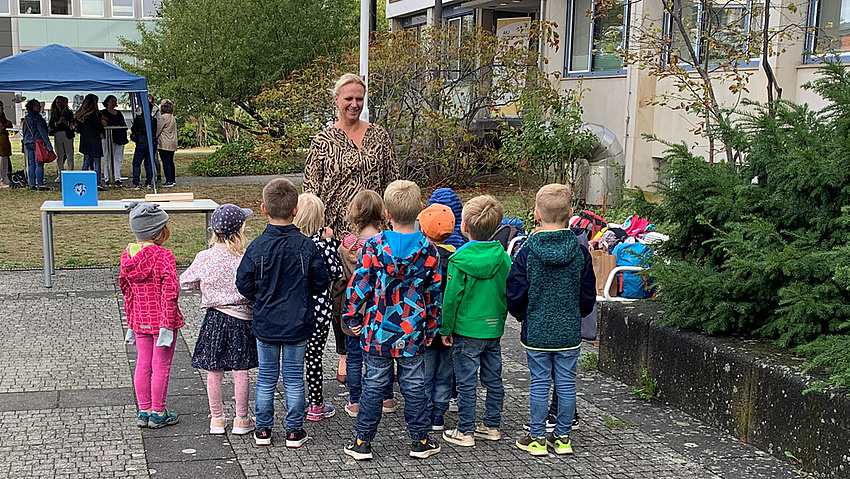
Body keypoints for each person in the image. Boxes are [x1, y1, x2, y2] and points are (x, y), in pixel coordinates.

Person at [303, 73, 400, 383]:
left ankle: (381, 351)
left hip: (375, 228)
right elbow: (311, 189)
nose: (354, 104)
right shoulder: (323, 141)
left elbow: (391, 180)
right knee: (340, 292)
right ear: (336, 101)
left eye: (359, 98)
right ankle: (346, 353)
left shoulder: (379, 136)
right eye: (348, 98)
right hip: (335, 230)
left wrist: (396, 221)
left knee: (380, 290)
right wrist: (317, 230)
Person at [342, 180, 442, 461]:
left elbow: (359, 284)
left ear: (387, 213)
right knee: (414, 387)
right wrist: (432, 328)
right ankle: (420, 440)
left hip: (378, 330)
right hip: (412, 332)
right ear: (420, 210)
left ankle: (362, 441)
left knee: (373, 385)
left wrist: (351, 314)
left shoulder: (374, 246)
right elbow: (434, 295)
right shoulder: (429, 251)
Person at [236, 178, 330, 448]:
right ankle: (293, 430)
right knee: (292, 376)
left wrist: (260, 294)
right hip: (298, 321)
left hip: (266, 320)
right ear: (295, 209)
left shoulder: (257, 246)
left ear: (264, 209)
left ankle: (263, 429)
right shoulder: (306, 246)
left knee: (266, 376)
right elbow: (322, 282)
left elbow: (243, 283)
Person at [507, 184, 596, 456]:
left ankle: (536, 437)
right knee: (567, 383)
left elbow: (516, 290)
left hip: (537, 329)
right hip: (568, 329)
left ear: (536, 214)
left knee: (539, 382)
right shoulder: (580, 252)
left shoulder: (527, 252)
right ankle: (563, 437)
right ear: (570, 214)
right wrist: (574, 314)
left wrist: (525, 316)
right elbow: (587, 293)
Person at [180, 204, 258, 436]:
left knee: (214, 370)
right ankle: (241, 418)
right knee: (240, 369)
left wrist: (203, 285)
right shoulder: (245, 257)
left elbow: (185, 281)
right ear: (241, 230)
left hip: (214, 319)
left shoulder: (205, 257)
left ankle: (216, 418)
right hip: (241, 319)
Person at [439, 195, 511, 447]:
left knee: (466, 381)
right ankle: (492, 424)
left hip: (466, 329)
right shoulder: (503, 257)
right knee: (494, 378)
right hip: (493, 328)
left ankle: (465, 429)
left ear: (464, 226)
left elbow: (451, 299)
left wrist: (445, 328)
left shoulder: (458, 260)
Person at [331, 190, 396, 418]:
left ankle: (356, 400)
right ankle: (387, 397)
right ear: (382, 213)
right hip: (382, 309)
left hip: (354, 308)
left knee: (353, 355)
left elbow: (340, 282)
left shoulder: (346, 245)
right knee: (383, 355)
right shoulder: (388, 242)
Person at [119, 202, 184, 429]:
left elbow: (126, 290)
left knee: (142, 364)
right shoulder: (164, 256)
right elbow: (171, 293)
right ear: (159, 231)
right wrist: (167, 323)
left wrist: (130, 320)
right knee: (161, 366)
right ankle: (158, 412)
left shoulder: (127, 256)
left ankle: (143, 410)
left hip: (139, 319)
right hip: (163, 321)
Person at [292, 193, 343, 422]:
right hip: (320, 312)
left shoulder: (291, 243)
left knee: (294, 360)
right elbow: (337, 272)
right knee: (314, 358)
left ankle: (296, 401)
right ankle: (316, 404)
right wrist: (331, 243)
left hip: (293, 311)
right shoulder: (322, 245)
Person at [416, 203, 457, 432]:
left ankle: (424, 410)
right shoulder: (457, 258)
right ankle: (438, 415)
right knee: (444, 372)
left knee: (425, 372)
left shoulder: (422, 258)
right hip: (450, 326)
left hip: (427, 325)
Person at [74, 94, 105, 190]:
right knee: (97, 162)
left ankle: (83, 180)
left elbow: (78, 129)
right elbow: (100, 128)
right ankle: (98, 182)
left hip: (85, 140)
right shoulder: (96, 115)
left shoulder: (81, 115)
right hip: (95, 140)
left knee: (86, 161)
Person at [22, 99, 54, 190]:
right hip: (37, 142)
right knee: (39, 162)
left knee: (31, 163)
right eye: (38, 105)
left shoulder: (26, 118)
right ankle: (40, 183)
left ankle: (32, 183)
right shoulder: (38, 118)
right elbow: (43, 132)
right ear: (34, 107)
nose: (40, 107)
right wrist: (49, 146)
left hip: (28, 142)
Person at [128, 101, 158, 190]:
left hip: (141, 143)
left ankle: (136, 182)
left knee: (136, 163)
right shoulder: (153, 119)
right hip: (151, 143)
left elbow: (133, 129)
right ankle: (148, 182)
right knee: (148, 162)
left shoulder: (139, 118)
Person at [100, 95, 128, 186]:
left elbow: (123, 125)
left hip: (119, 138)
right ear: (107, 102)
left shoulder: (119, 113)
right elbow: (102, 126)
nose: (114, 103)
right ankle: (107, 178)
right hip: (107, 138)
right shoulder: (103, 113)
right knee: (107, 158)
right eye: (112, 101)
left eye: (115, 101)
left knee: (118, 159)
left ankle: (117, 178)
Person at [48, 95, 75, 181]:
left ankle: (71, 172)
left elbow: (73, 124)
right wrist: (58, 123)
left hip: (67, 135)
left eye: (61, 102)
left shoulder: (69, 112)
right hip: (58, 134)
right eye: (58, 102)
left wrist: (66, 122)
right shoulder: (54, 113)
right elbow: (51, 124)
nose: (59, 104)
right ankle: (60, 174)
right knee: (59, 155)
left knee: (69, 154)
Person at [156, 99, 178, 187]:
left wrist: (154, 137)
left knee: (166, 162)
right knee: (171, 161)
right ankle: (172, 179)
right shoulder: (172, 117)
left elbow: (158, 129)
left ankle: (168, 180)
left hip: (164, 142)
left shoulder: (163, 117)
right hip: (172, 142)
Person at [0, 101, 12, 188]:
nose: (2, 109)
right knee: (0, 162)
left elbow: (9, 124)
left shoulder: (2, 116)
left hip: (4, 143)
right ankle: (1, 180)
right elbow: (2, 128)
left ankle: (5, 179)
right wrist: (5, 125)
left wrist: (5, 125)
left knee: (5, 161)